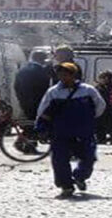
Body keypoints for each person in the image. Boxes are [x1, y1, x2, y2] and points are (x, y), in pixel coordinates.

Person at [36, 63, 106, 198]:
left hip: (83, 131)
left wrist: (88, 120)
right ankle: (66, 185)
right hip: (61, 131)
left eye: (66, 74)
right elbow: (42, 110)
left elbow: (100, 105)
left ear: (73, 75)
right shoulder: (53, 92)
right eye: (60, 74)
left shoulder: (88, 90)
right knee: (59, 159)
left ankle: (79, 176)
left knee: (88, 157)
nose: (62, 77)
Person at [14, 50, 52, 121]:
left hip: (25, 104)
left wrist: (21, 100)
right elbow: (45, 89)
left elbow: (16, 87)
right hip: (40, 105)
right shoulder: (42, 71)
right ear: (42, 59)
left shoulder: (22, 70)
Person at [94, 71, 112, 144]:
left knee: (111, 124)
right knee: (100, 124)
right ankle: (101, 139)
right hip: (101, 107)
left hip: (110, 107)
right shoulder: (98, 87)